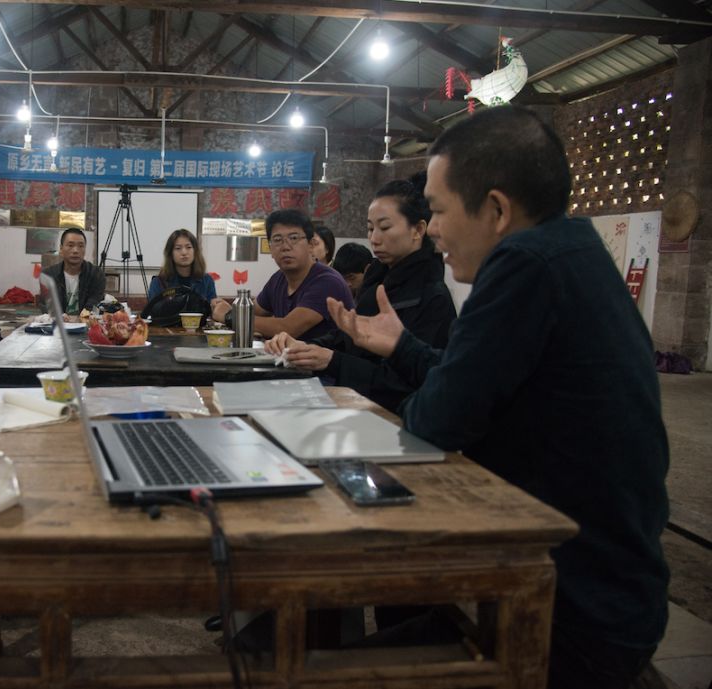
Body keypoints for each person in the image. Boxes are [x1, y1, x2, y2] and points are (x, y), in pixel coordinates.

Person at [327, 106, 669, 689]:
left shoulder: (524, 264)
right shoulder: (570, 252)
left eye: (435, 211)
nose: (431, 229)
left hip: (567, 608)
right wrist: (403, 348)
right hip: (605, 592)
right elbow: (477, 380)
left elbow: (435, 422)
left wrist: (420, 387)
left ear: (497, 209)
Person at [264, 174, 456, 411]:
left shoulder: (431, 296)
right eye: (369, 228)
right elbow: (348, 338)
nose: (374, 239)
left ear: (418, 229)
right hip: (357, 406)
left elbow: (405, 383)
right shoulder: (378, 278)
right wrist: (305, 347)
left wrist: (332, 361)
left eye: (385, 227)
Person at [212, 209, 353, 341]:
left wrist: (230, 316)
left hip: (329, 365)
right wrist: (224, 306)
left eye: (294, 238)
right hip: (289, 363)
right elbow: (253, 311)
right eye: (278, 240)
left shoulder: (327, 282)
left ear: (310, 245)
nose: (286, 246)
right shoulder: (278, 279)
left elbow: (288, 328)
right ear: (271, 249)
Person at [41, 227, 105, 316]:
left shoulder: (96, 274)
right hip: (58, 326)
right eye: (70, 245)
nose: (75, 250)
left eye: (81, 246)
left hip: (85, 326)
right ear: (61, 248)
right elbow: (47, 307)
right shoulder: (48, 275)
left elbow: (93, 306)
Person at [146, 228, 218, 303]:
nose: (184, 252)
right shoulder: (158, 282)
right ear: (170, 253)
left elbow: (212, 311)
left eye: (188, 247)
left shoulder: (207, 281)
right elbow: (153, 312)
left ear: (195, 251)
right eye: (178, 248)